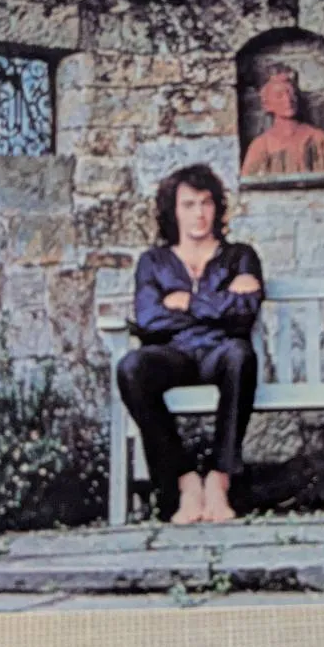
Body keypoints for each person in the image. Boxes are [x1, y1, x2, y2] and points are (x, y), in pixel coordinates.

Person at [116, 163, 263, 524]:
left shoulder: (240, 256)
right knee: (131, 367)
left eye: (206, 203)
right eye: (189, 204)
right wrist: (220, 304)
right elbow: (150, 319)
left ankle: (218, 480)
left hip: (220, 351)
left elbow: (244, 314)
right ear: (174, 211)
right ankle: (184, 482)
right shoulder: (153, 262)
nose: (199, 213)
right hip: (174, 353)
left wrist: (188, 302)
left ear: (217, 207)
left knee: (240, 355)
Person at [241, 66, 324, 178]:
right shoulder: (261, 146)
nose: (288, 100)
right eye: (279, 96)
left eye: (292, 94)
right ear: (266, 105)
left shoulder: (318, 139)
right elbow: (249, 182)